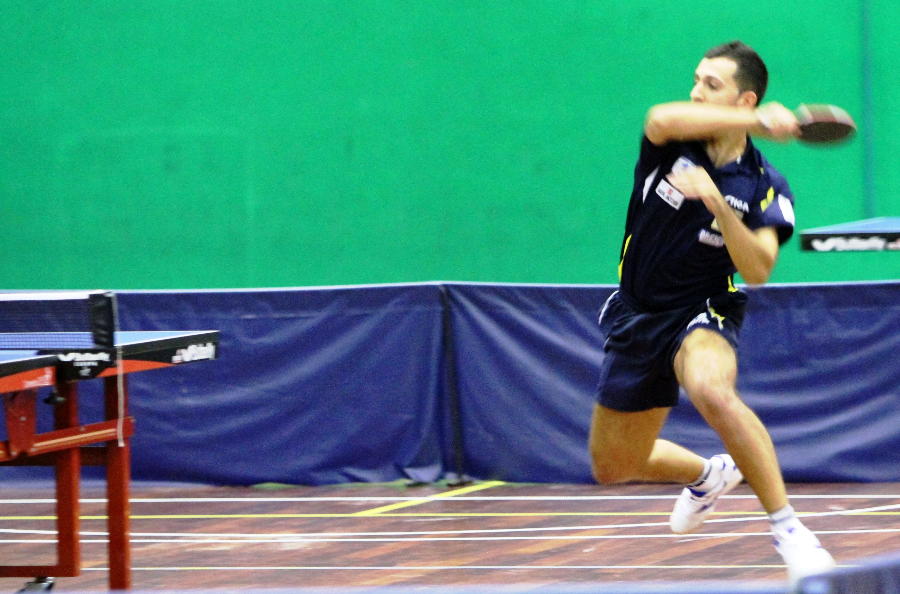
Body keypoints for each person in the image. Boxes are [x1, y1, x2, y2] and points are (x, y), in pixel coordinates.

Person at [588, 40, 836, 585]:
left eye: (712, 84)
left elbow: (759, 269)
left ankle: (790, 530)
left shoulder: (766, 186)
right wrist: (760, 123)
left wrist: (717, 203)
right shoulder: (674, 142)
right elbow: (659, 117)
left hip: (705, 308)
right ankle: (708, 475)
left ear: (745, 98)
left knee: (711, 389)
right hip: (637, 314)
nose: (696, 91)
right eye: (696, 80)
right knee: (613, 465)